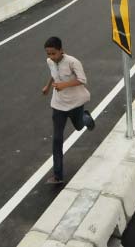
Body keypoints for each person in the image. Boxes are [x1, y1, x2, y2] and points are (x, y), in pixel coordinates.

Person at [42, 36, 95, 185]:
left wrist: (64, 85)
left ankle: (86, 118)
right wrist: (47, 86)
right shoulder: (50, 62)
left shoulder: (73, 62)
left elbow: (83, 80)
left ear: (61, 51)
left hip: (75, 103)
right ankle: (58, 175)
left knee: (79, 126)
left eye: (53, 53)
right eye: (48, 54)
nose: (51, 57)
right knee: (57, 139)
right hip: (58, 105)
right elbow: (54, 74)